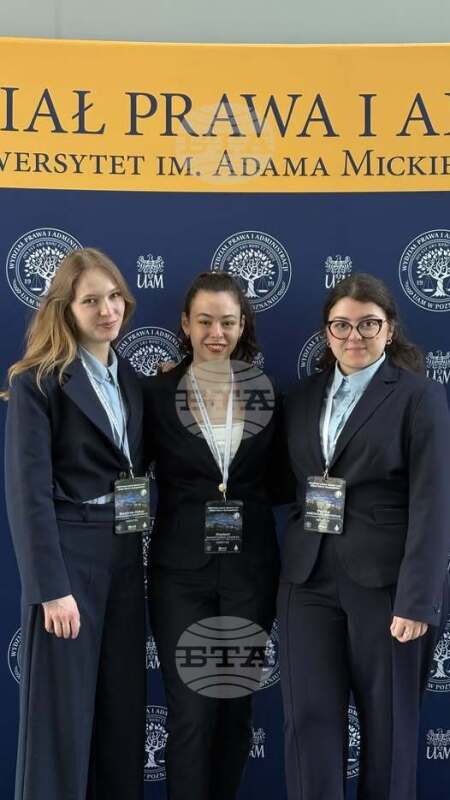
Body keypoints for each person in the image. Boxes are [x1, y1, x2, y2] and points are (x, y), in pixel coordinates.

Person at [279, 272, 450, 800]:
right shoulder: (301, 397)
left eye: (368, 324)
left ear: (389, 329)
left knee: (389, 729)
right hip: (307, 580)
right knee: (308, 724)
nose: (354, 336)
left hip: (388, 587)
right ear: (327, 332)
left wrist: (417, 600)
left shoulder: (419, 397)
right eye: (342, 325)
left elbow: (434, 502)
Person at [4, 248, 147, 800]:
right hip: (69, 562)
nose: (107, 311)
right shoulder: (36, 381)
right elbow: (27, 494)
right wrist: (50, 588)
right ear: (66, 309)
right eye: (91, 301)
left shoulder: (129, 379)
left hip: (124, 557)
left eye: (114, 297)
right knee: (59, 725)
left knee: (120, 716)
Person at [144, 271, 285, 800]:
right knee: (191, 714)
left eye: (227, 321)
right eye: (204, 321)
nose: (216, 333)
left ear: (242, 324)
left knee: (235, 711)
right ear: (186, 324)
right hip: (180, 577)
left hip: (251, 573)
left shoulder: (266, 393)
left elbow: (280, 481)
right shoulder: (157, 393)